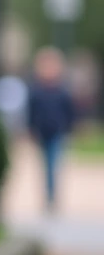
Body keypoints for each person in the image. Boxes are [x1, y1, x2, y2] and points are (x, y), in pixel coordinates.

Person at [27, 46, 77, 212]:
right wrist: (30, 129)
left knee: (53, 165)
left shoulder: (62, 91)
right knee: (45, 166)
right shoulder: (36, 91)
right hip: (42, 132)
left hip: (57, 132)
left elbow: (69, 112)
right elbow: (31, 112)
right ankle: (48, 197)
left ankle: (52, 197)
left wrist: (69, 128)